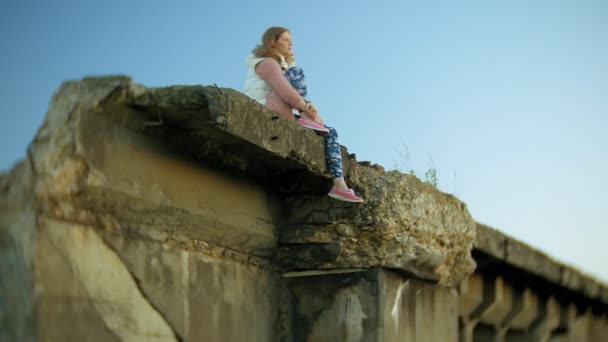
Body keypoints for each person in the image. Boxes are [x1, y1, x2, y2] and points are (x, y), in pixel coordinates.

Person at [244, 26, 364, 203]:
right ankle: (307, 118)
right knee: (296, 73)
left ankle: (339, 185)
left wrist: (312, 111)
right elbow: (282, 89)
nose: (290, 44)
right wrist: (304, 107)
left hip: (282, 108)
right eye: (286, 40)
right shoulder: (265, 63)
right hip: (264, 107)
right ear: (273, 42)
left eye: (291, 41)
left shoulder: (285, 67)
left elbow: (291, 94)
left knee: (331, 132)